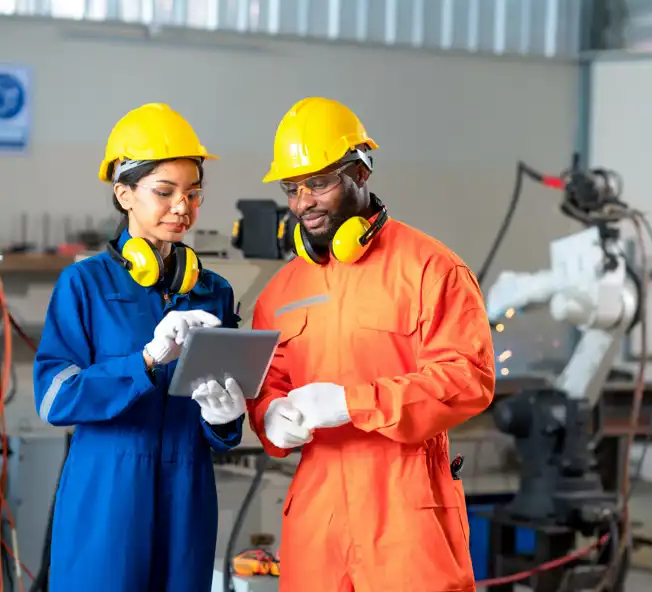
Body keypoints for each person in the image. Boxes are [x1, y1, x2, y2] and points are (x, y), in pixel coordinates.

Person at [247, 97, 496, 592]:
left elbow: (469, 377)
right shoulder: (280, 292)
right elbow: (266, 386)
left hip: (407, 510)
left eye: (318, 183)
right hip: (316, 518)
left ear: (360, 173)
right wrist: (269, 417)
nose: (303, 203)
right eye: (292, 189)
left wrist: (352, 403)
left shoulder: (430, 269)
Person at [33, 103, 247, 592]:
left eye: (193, 194)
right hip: (107, 492)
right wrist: (145, 360)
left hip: (188, 493)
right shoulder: (83, 284)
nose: (182, 208)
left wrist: (224, 419)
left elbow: (222, 418)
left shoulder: (213, 290)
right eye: (164, 192)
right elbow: (54, 399)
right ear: (124, 194)